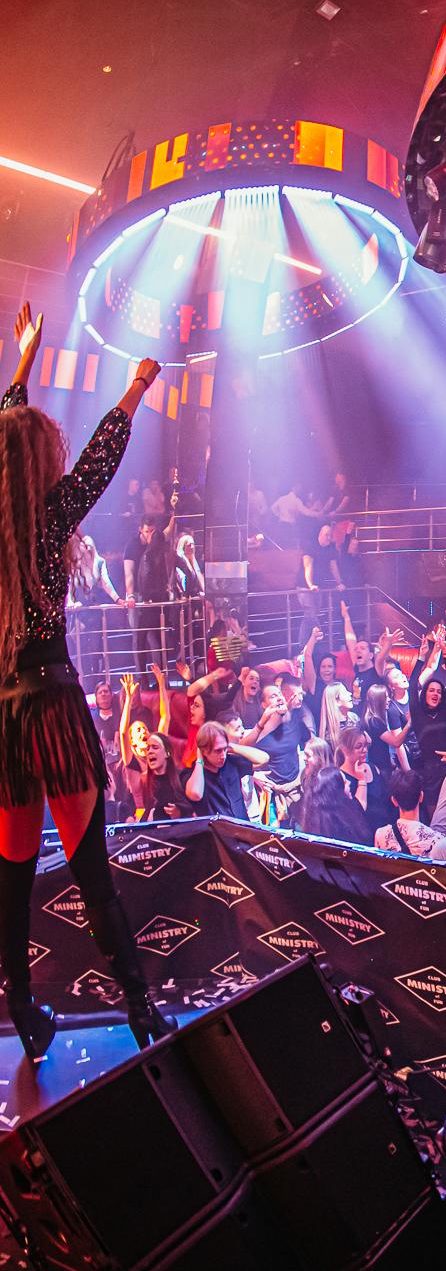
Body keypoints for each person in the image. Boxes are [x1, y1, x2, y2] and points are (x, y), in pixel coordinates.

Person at [0, 322, 172, 1057]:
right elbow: (104, 454)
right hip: (54, 712)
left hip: (5, 719)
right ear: (40, 462)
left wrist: (23, 364)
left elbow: (7, 433)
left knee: (11, 879)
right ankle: (140, 1009)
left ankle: (23, 1011)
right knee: (90, 870)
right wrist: (136, 385)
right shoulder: (50, 520)